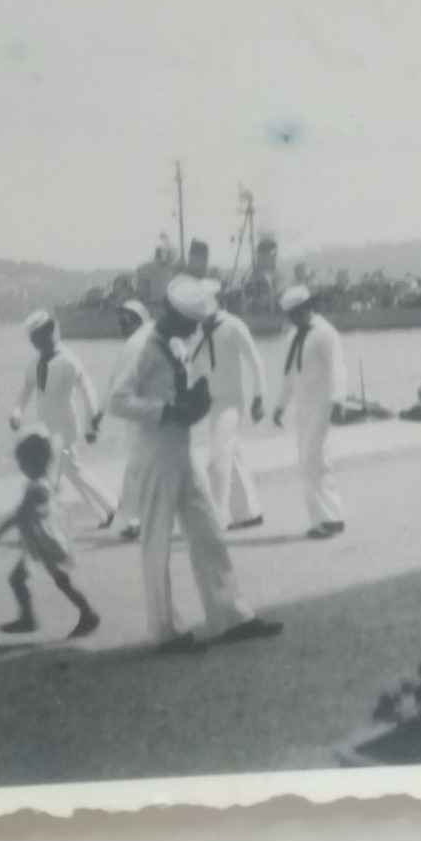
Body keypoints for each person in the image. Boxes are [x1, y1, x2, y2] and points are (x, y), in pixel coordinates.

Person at [108, 275, 283, 654]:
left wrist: (194, 396)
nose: (193, 332)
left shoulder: (172, 341)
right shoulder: (139, 348)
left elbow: (173, 386)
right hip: (154, 452)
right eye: (190, 325)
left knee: (206, 530)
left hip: (181, 447)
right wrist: (168, 409)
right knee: (156, 542)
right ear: (172, 314)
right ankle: (164, 630)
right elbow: (117, 401)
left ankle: (231, 617)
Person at [0, 432, 101, 639]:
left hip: (45, 544)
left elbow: (18, 514)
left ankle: (83, 614)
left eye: (21, 462)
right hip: (42, 542)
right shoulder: (45, 482)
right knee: (32, 579)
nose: (19, 467)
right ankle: (32, 617)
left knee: (54, 581)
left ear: (30, 463)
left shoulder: (35, 488)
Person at [10, 310, 118, 529]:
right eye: (32, 338)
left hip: (65, 423)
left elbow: (88, 391)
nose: (36, 342)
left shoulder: (68, 361)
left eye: (39, 336)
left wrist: (91, 425)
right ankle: (105, 510)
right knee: (72, 471)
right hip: (46, 425)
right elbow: (26, 390)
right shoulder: (36, 362)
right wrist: (17, 412)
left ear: (50, 331)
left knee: (68, 470)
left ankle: (110, 505)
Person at [273, 285, 349, 539]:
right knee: (309, 463)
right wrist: (280, 406)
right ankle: (325, 519)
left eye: (298, 313)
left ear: (308, 308)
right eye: (291, 315)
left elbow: (337, 367)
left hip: (323, 405)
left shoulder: (325, 333)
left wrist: (339, 400)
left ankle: (330, 518)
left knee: (312, 460)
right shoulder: (295, 336)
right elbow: (290, 375)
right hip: (304, 410)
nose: (295, 319)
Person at [191, 280, 268, 530]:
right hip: (212, 405)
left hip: (231, 403)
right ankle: (249, 512)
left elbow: (255, 360)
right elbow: (197, 368)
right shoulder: (200, 333)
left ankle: (219, 518)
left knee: (216, 462)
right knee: (231, 456)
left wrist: (259, 397)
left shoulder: (233, 326)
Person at [108, 300, 153, 542]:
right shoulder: (153, 338)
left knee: (135, 466)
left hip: (138, 414)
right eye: (120, 321)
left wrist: (97, 417)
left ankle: (133, 520)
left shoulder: (133, 345)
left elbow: (117, 384)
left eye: (125, 321)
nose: (121, 326)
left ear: (138, 321)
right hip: (153, 412)